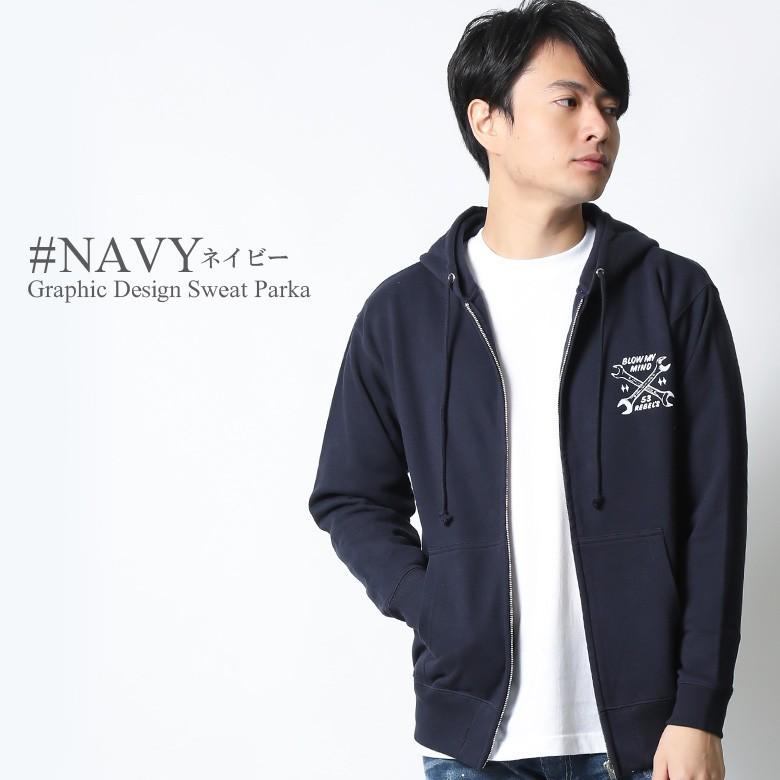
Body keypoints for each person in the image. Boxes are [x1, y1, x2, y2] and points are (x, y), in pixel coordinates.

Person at [308, 2, 748, 779]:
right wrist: (431, 602)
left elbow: (716, 512)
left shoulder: (672, 297)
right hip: (474, 745)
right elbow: (350, 495)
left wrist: (697, 710)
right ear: (488, 121)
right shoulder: (404, 315)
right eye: (568, 101)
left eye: (609, 107)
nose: (599, 127)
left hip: (645, 742)